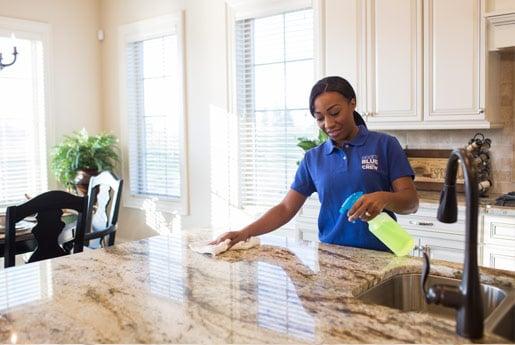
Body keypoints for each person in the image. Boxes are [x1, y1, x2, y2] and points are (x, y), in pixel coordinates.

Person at [213, 76, 419, 252]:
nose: (328, 124)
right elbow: (286, 208)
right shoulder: (313, 158)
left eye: (335, 112)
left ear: (352, 103)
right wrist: (244, 233)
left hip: (381, 255)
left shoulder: (384, 145)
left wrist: (383, 198)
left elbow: (411, 202)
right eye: (320, 118)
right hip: (331, 256)